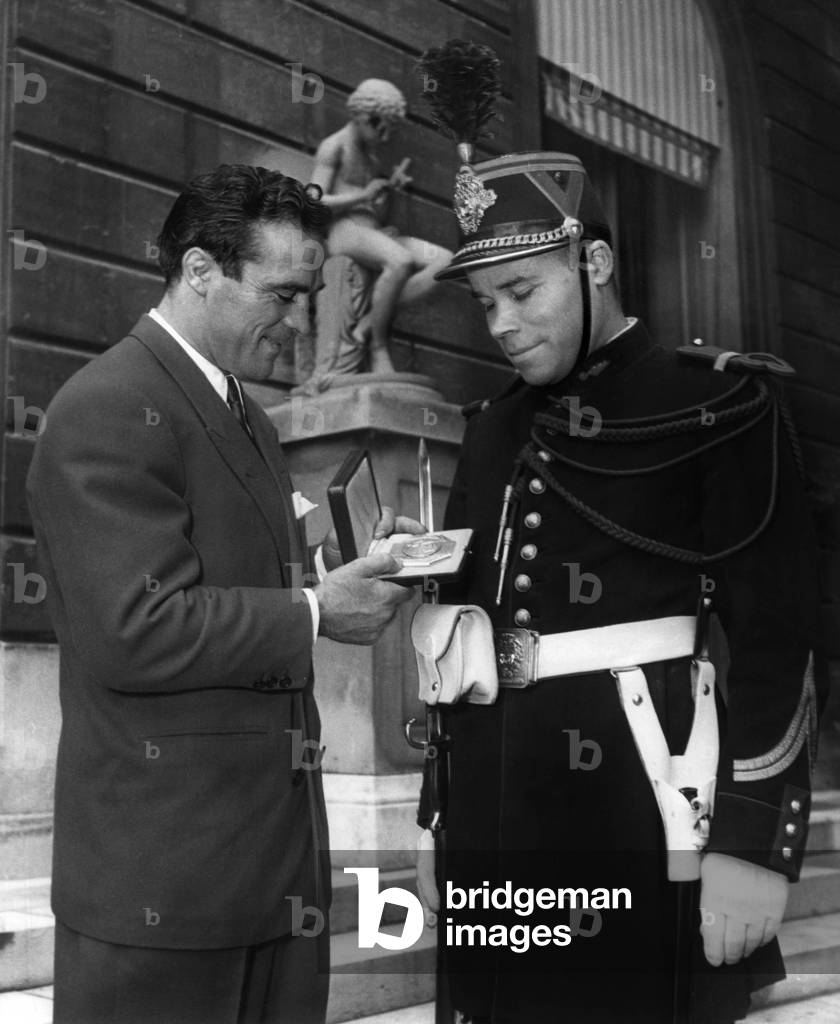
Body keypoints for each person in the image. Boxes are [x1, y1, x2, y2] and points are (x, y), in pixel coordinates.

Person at [415, 151, 824, 1023]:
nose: (503, 324)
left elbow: (776, 633)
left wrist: (756, 843)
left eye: (523, 291)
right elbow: (461, 628)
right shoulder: (491, 427)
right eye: (486, 302)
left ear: (593, 264)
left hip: (641, 801)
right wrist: (437, 817)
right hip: (490, 808)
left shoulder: (719, 403)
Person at [26, 164, 422, 1024]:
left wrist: (346, 568)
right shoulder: (108, 404)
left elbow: (236, 570)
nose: (297, 322)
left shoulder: (235, 405)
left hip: (264, 876)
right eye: (280, 295)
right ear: (200, 271)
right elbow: (137, 628)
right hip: (165, 892)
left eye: (307, 295)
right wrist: (319, 613)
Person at [310, 78, 452, 373]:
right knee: (399, 261)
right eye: (379, 126)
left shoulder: (373, 159)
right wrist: (363, 195)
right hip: (344, 231)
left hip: (369, 231)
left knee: (445, 262)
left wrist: (388, 192)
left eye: (390, 128)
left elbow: (374, 210)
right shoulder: (333, 147)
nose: (384, 136)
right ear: (361, 116)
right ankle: (378, 346)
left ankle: (367, 323)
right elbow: (312, 202)